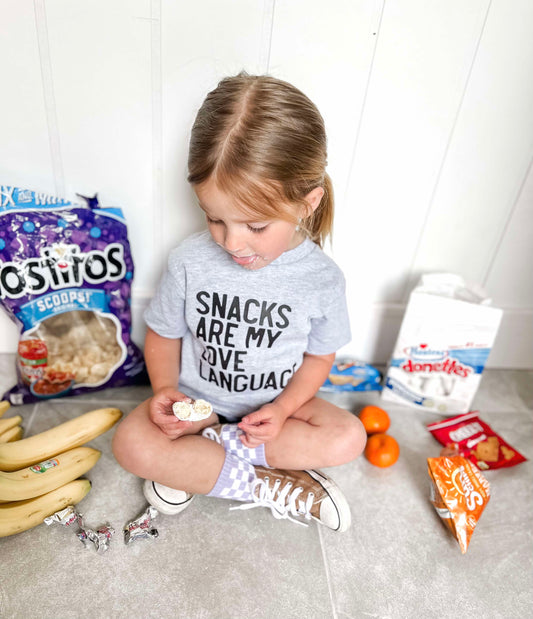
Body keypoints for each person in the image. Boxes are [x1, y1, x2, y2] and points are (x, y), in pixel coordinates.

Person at [112, 73, 366, 532]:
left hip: (272, 408)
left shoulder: (321, 279)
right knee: (130, 443)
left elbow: (319, 356)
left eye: (255, 225)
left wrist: (285, 410)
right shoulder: (189, 261)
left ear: (306, 204)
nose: (233, 242)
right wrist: (166, 392)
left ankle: (200, 463)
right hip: (198, 405)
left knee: (348, 437)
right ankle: (262, 481)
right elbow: (165, 334)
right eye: (215, 219)